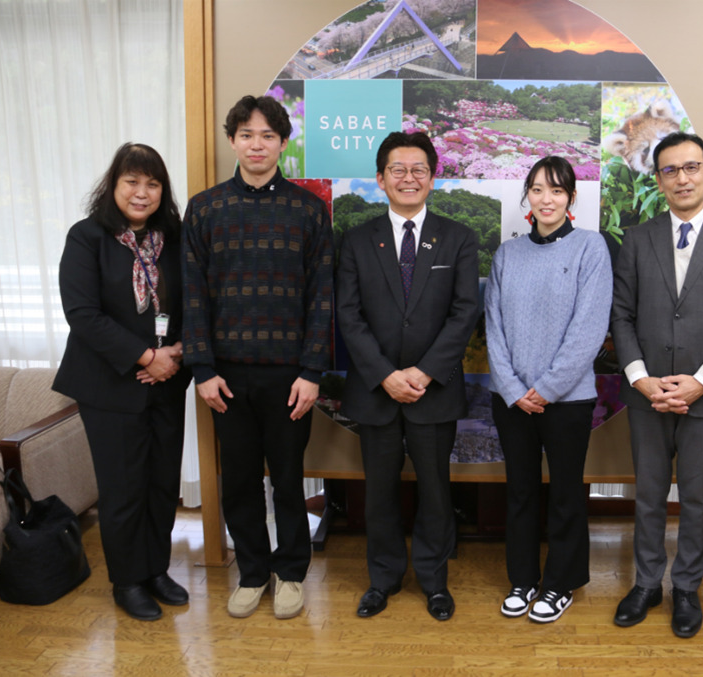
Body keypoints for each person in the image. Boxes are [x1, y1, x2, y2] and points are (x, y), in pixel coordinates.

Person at [182, 95, 333, 620]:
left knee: (288, 480)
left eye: (268, 135)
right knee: (240, 481)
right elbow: (192, 293)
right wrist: (202, 370)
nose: (257, 145)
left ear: (283, 143)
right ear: (232, 141)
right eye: (246, 134)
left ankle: (290, 573)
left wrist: (312, 371)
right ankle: (251, 573)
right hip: (225, 377)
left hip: (290, 376)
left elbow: (322, 296)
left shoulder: (308, 209)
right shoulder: (205, 208)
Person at [610, 132, 703, 638]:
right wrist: (640, 379)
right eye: (670, 170)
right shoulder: (637, 238)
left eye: (691, 167)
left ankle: (688, 587)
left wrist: (701, 381)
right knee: (649, 495)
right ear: (658, 180)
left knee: (697, 499)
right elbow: (621, 315)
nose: (682, 178)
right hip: (648, 394)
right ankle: (646, 584)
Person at [336, 131, 479, 622]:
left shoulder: (458, 237)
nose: (408, 178)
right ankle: (383, 579)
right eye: (397, 169)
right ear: (381, 179)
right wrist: (385, 375)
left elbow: (464, 312)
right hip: (376, 391)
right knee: (379, 493)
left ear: (433, 178)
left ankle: (435, 582)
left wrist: (423, 372)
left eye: (419, 169)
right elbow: (348, 314)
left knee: (435, 492)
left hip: (432, 390)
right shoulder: (356, 239)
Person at [53, 143, 191, 621]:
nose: (142, 192)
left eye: (153, 184)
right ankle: (127, 581)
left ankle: (155, 570)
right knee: (123, 488)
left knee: (161, 484)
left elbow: (196, 300)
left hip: (168, 380)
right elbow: (82, 314)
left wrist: (175, 354)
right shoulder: (86, 237)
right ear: (113, 185)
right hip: (110, 386)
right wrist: (147, 356)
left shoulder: (174, 237)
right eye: (132, 181)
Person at [485, 157, 612, 623]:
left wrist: (548, 388)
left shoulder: (590, 248)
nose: (546, 199)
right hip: (512, 400)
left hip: (568, 400)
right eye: (537, 189)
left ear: (571, 198)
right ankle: (522, 579)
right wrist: (513, 387)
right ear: (527, 196)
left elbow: (589, 328)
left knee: (565, 493)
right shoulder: (507, 254)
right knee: (519, 491)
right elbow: (493, 326)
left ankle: (559, 584)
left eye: (557, 190)